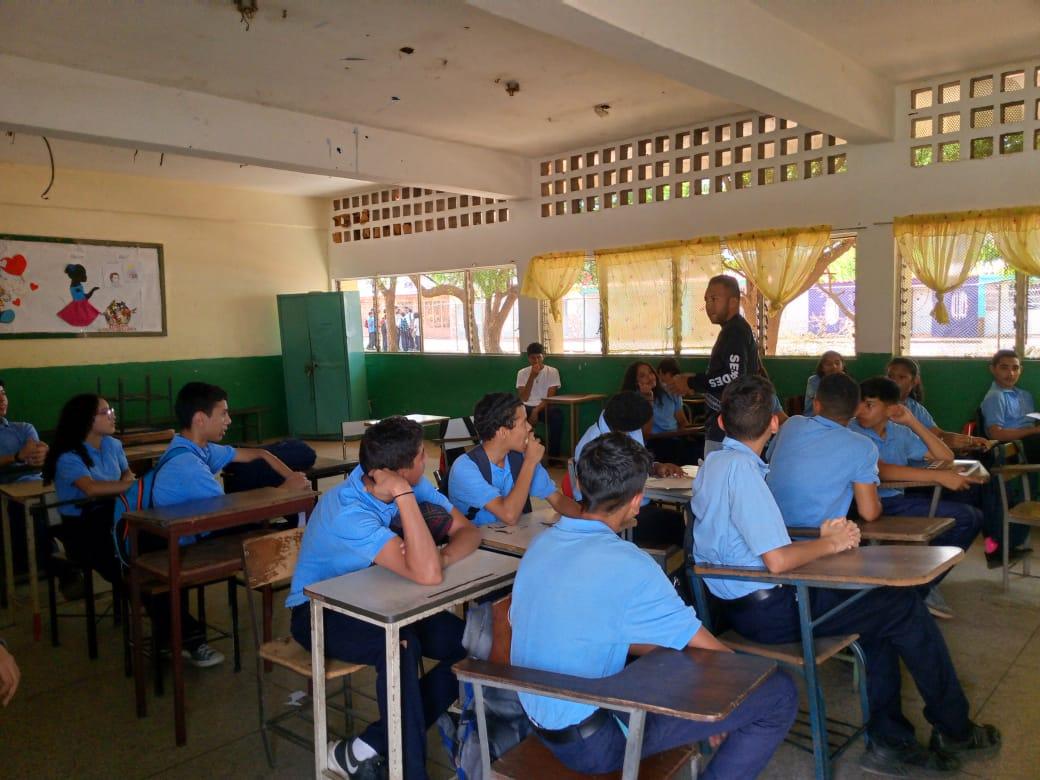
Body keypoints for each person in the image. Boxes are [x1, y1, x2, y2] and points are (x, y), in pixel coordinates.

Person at [691, 375, 1001, 776]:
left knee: (880, 612)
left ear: (720, 423)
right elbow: (778, 562)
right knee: (902, 606)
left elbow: (758, 544)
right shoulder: (744, 473)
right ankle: (952, 729)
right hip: (770, 609)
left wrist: (816, 539)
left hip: (734, 604)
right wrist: (831, 542)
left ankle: (892, 739)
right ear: (773, 423)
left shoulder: (717, 462)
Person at [511, 431, 798, 778]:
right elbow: (708, 647)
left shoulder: (541, 545)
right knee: (778, 692)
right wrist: (728, 698)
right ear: (636, 501)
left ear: (579, 484)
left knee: (677, 660)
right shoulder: (630, 563)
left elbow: (569, 629)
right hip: (594, 742)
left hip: (538, 716)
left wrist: (714, 699)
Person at [287, 416, 481, 780]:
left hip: (383, 600)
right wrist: (406, 500)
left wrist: (442, 555)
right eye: (423, 454)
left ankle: (361, 749)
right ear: (398, 471)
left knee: (475, 643)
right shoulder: (349, 511)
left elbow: (468, 531)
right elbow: (426, 575)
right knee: (400, 646)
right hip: (319, 613)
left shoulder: (413, 482)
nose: (427, 460)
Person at [151, 381, 309, 667]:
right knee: (281, 537)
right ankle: (305, 613)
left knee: (284, 527)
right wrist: (287, 490)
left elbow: (260, 454)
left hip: (200, 530)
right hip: (182, 544)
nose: (229, 420)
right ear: (200, 419)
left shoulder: (200, 448)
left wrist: (293, 479)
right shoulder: (186, 465)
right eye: (223, 413)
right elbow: (232, 512)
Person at [848, 377, 984, 619]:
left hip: (894, 503)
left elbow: (945, 457)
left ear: (891, 409)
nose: (860, 410)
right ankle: (916, 588)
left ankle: (918, 585)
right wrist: (940, 477)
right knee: (966, 517)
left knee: (970, 510)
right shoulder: (852, 430)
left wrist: (913, 422)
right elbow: (882, 469)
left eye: (869, 405)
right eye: (859, 404)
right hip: (866, 505)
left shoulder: (900, 432)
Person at [766, 373, 882, 528]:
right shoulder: (864, 446)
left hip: (772, 533)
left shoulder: (791, 424)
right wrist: (879, 505)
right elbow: (869, 513)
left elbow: (770, 459)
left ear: (816, 404)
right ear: (856, 410)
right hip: (819, 539)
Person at [43, 394, 135, 589]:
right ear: (86, 419)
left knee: (142, 541)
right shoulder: (68, 455)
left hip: (112, 517)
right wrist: (131, 486)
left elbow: (127, 472)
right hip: (81, 529)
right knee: (125, 565)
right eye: (105, 412)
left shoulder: (112, 444)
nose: (112, 416)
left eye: (112, 410)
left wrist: (128, 481)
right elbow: (91, 488)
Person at [447, 392, 580, 527]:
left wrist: (591, 518)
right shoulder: (465, 468)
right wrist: (530, 462)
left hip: (513, 538)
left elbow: (557, 500)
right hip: (479, 545)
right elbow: (509, 516)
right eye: (523, 423)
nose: (529, 427)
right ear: (503, 432)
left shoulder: (519, 457)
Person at [573, 391, 684, 547]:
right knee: (676, 525)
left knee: (679, 522)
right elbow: (593, 498)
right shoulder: (592, 446)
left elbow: (637, 461)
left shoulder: (626, 423)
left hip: (635, 504)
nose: (636, 433)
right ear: (621, 430)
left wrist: (656, 467)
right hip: (611, 514)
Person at [675, 275, 761, 456]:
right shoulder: (732, 330)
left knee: (718, 478)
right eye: (706, 300)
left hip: (729, 425)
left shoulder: (735, 331)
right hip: (726, 422)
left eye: (714, 299)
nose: (708, 305)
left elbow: (733, 376)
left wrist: (693, 382)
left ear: (733, 302)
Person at [978, 349, 1039, 560]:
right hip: (1011, 449)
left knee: (1028, 495)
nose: (1010, 373)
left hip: (1029, 446)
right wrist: (1033, 431)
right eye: (1004, 367)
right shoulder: (995, 397)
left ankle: (1013, 542)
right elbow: (996, 433)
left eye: (1015, 368)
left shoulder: (1025, 395)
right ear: (993, 370)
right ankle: (1002, 545)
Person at [515, 342, 563, 458]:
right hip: (526, 407)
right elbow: (524, 398)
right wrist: (532, 376)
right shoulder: (522, 373)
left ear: (543, 356)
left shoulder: (552, 371)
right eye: (533, 358)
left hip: (544, 406)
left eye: (539, 357)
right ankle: (520, 453)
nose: (536, 360)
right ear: (528, 358)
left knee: (557, 416)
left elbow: (549, 397)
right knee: (514, 415)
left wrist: (536, 411)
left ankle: (553, 456)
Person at [0, 379, 48, 478]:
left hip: (36, 483)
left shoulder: (24, 428)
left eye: (3, 393)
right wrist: (16, 457)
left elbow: (38, 463)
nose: (2, 399)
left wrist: (43, 455)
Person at [803, 351, 846, 417]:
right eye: (829, 364)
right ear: (822, 367)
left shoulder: (846, 380)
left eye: (837, 363)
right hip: (814, 417)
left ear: (842, 366)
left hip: (838, 418)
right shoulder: (814, 380)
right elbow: (826, 402)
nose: (834, 366)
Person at [0, 639, 19, 706]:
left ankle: (5, 697)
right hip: (6, 661)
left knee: (8, 682)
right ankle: (6, 698)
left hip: (4, 662)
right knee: (12, 681)